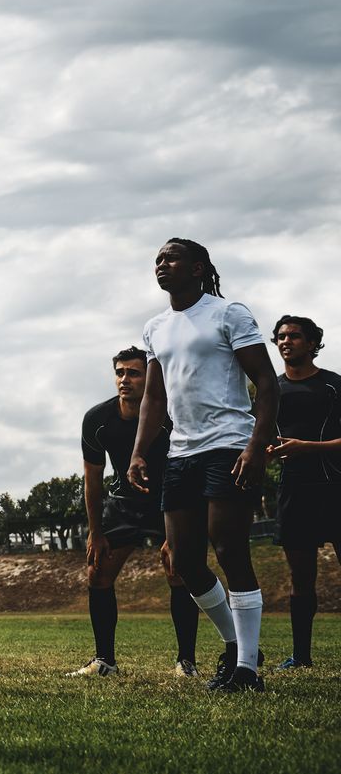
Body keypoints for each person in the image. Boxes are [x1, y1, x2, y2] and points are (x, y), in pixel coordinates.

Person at [129, 238, 278, 693]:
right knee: (186, 562)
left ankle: (248, 671)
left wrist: (255, 447)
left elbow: (268, 384)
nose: (161, 265)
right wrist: (139, 451)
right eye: (157, 259)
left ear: (198, 268)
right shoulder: (155, 327)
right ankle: (235, 648)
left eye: (170, 258)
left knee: (230, 550)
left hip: (229, 445)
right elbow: (154, 398)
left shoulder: (228, 313)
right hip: (182, 454)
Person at [66, 346, 200, 677]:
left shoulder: (171, 416)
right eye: (120, 373)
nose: (125, 379)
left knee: (177, 570)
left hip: (170, 499)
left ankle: (186, 662)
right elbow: (92, 480)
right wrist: (95, 532)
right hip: (123, 502)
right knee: (97, 572)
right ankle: (104, 662)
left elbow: (189, 469)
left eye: (134, 373)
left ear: (150, 377)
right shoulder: (97, 420)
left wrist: (176, 532)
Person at [269, 314, 340, 669]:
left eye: (294, 336)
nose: (286, 341)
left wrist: (308, 446)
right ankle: (301, 656)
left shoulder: (333, 386)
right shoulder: (271, 390)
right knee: (300, 579)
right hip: (294, 490)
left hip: (335, 486)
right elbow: (259, 438)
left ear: (312, 343)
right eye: (280, 336)